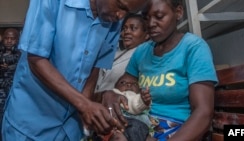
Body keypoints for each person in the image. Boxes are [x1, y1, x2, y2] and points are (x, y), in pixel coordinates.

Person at [1, 0, 149, 140]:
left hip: (69, 128)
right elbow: (36, 60)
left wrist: (86, 109)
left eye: (127, 12)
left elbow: (96, 64)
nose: (120, 15)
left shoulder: (113, 18)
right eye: (120, 5)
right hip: (31, 122)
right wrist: (83, 104)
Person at [101, 0, 218, 141]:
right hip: (141, 125)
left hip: (178, 130)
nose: (150, 24)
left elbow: (203, 112)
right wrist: (109, 94)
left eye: (159, 16)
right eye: (146, 18)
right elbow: (123, 89)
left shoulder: (193, 48)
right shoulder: (142, 51)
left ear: (179, 12)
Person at [96, 13, 149, 92]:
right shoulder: (114, 51)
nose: (127, 31)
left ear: (147, 35)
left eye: (133, 28)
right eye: (124, 28)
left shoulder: (145, 56)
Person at [101, 74, 153, 141]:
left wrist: (143, 101)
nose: (129, 85)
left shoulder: (137, 97)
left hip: (139, 128)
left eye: (134, 84)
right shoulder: (115, 94)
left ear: (139, 90)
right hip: (118, 128)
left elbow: (134, 104)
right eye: (123, 82)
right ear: (115, 87)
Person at [0, 28, 20, 139]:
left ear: (17, 40)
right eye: (6, 38)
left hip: (14, 92)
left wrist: (12, 67)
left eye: (12, 39)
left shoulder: (21, 55)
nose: (9, 41)